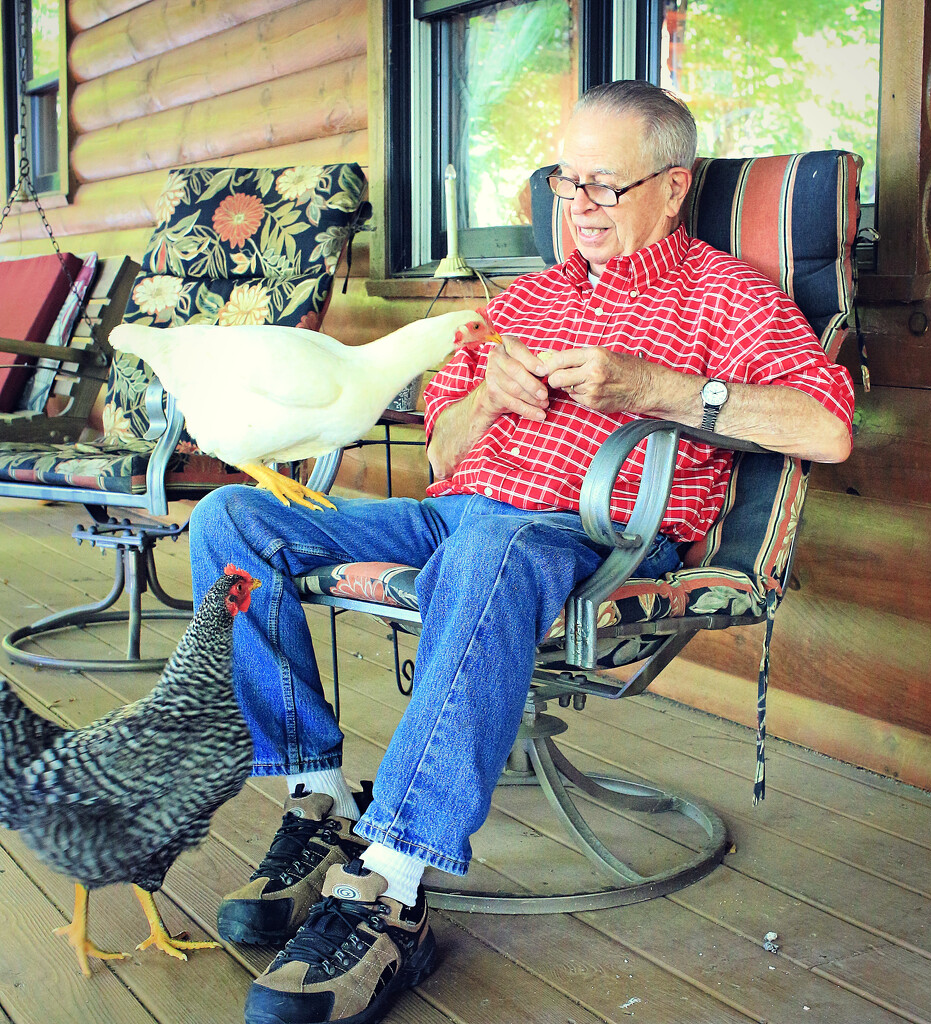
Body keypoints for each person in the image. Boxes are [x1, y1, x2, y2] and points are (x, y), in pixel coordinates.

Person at [189, 79, 854, 1024]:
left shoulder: (728, 297)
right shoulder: (522, 298)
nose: (577, 208)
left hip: (593, 538)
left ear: (674, 185)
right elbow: (441, 452)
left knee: (496, 544)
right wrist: (486, 397)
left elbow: (827, 428)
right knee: (233, 520)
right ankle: (316, 793)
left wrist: (660, 389)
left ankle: (390, 890)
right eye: (564, 182)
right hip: (456, 516)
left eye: (604, 187)